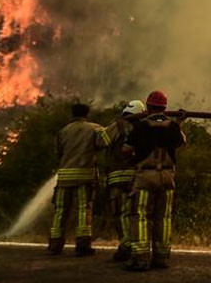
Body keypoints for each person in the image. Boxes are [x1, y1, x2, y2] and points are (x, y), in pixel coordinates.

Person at [124, 91, 187, 271]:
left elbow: (126, 149)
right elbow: (182, 142)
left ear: (148, 107)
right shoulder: (173, 127)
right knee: (164, 218)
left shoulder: (140, 127)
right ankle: (161, 258)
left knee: (141, 217)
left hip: (145, 177)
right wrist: (179, 123)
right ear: (165, 108)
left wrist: (134, 159)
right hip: (167, 178)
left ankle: (141, 258)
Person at [48, 103, 109, 256]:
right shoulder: (95, 128)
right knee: (83, 209)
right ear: (87, 113)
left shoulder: (63, 131)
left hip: (64, 178)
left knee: (60, 211)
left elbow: (58, 152)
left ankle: (55, 245)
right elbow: (106, 143)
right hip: (84, 177)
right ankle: (83, 246)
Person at [103, 100, 146, 262]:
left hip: (118, 175)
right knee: (134, 213)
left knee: (120, 213)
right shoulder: (143, 126)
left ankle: (126, 245)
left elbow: (102, 141)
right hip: (137, 175)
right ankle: (133, 244)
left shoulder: (119, 125)